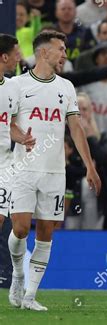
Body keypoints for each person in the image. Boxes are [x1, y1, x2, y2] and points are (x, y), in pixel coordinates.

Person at [8, 30, 101, 311]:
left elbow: (75, 128)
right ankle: (18, 274)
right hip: (23, 168)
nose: (64, 54)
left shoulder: (67, 87)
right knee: (21, 229)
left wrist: (89, 165)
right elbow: (7, 123)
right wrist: (20, 136)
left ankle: (30, 296)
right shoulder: (17, 85)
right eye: (60, 49)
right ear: (43, 52)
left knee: (47, 231)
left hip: (54, 171)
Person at [0, 34, 36, 232]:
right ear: (5, 57)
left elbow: (10, 125)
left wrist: (23, 138)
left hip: (4, 163)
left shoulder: (13, 86)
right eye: (16, 53)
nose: (19, 57)